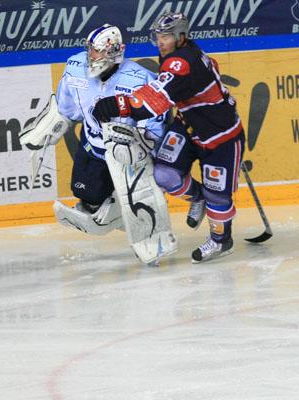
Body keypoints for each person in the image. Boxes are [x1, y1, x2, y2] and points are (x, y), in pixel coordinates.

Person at [93, 12, 245, 263]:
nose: (160, 41)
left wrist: (118, 104)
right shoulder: (181, 54)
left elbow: (152, 102)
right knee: (164, 174)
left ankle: (221, 240)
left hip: (221, 137)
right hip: (189, 126)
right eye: (158, 36)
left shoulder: (182, 63)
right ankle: (199, 198)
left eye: (166, 36)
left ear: (181, 37)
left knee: (218, 195)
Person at [19, 24, 174, 263]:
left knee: (140, 200)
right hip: (93, 148)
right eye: (90, 50)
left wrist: (142, 140)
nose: (92, 56)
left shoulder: (140, 78)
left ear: (113, 52)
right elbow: (64, 109)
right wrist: (46, 130)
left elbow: (158, 120)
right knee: (86, 199)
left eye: (98, 51)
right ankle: (118, 211)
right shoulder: (75, 69)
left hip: (129, 155)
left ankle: (149, 235)